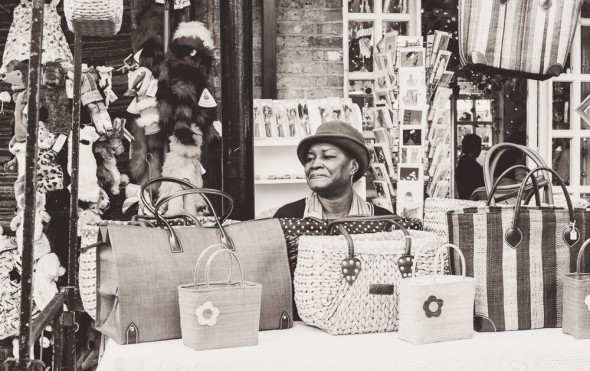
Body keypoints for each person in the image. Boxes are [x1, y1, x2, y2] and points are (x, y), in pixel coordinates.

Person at [273, 120, 392, 218]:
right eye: (310, 158)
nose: (314, 165)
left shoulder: (384, 222)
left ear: (353, 167)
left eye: (328, 156)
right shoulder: (286, 217)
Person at [455, 134, 485, 200]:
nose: (481, 149)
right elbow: (477, 191)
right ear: (476, 147)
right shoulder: (473, 167)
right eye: (480, 146)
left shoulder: (463, 164)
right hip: (473, 204)